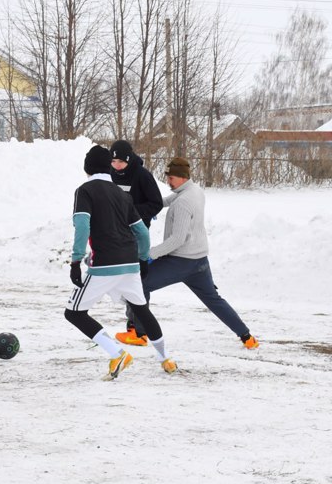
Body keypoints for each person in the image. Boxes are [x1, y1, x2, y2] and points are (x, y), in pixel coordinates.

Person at [118, 157, 260, 349]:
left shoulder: (183, 202)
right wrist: (148, 204)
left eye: (171, 178)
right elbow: (166, 201)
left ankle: (139, 334)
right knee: (214, 300)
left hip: (180, 261)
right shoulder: (194, 191)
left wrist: (149, 254)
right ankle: (246, 336)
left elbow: (178, 240)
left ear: (182, 177)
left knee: (140, 284)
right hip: (199, 260)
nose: (168, 181)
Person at [64, 145, 176, 380]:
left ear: (87, 168)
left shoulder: (84, 191)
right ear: (108, 168)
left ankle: (117, 353)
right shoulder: (122, 195)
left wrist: (76, 261)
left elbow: (83, 226)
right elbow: (142, 233)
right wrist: (143, 259)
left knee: (74, 313)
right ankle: (165, 358)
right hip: (130, 264)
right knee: (141, 310)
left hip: (104, 264)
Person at [109, 139, 164, 346]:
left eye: (120, 163)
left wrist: (133, 214)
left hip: (136, 235)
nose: (116, 166)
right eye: (113, 162)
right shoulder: (110, 173)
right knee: (125, 280)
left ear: (129, 159)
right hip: (116, 234)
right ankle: (132, 327)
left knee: (136, 280)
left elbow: (156, 203)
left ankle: (139, 331)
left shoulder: (142, 176)